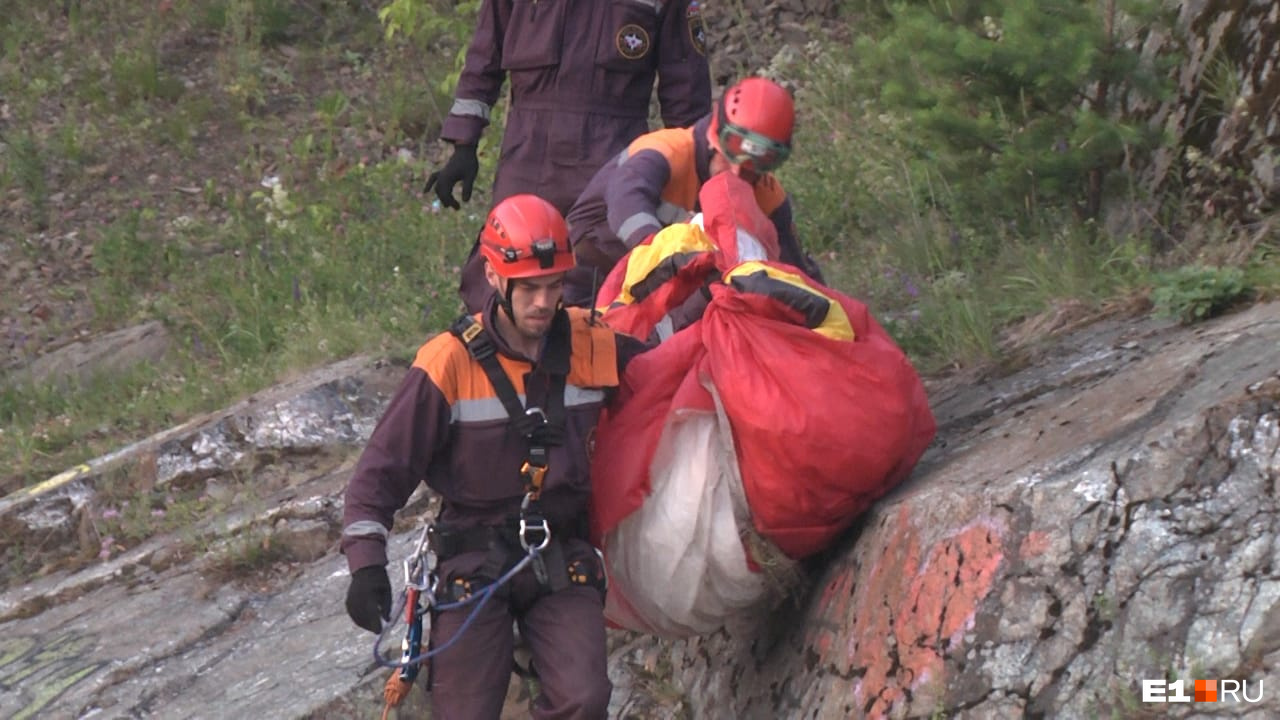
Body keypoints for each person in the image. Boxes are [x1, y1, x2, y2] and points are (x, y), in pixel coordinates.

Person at [342, 194, 646, 720]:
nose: (543, 303)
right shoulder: (448, 362)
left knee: (584, 698)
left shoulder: (592, 344)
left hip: (561, 555)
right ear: (493, 276)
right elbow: (379, 475)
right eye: (529, 287)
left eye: (554, 287)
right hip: (473, 562)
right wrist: (366, 565)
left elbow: (666, 376)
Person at [424, 0, 713, 313]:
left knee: (596, 280)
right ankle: (494, 356)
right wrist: (464, 143)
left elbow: (686, 90)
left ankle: (593, 357)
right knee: (503, 268)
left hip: (610, 153)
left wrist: (693, 173)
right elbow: (484, 56)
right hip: (527, 152)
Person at [563, 76, 823, 308]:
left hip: (664, 297)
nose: (737, 173)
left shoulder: (768, 197)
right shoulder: (666, 152)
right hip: (585, 278)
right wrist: (664, 254)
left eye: (755, 166)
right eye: (731, 153)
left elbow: (796, 274)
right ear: (715, 136)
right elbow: (625, 203)